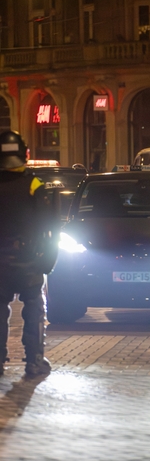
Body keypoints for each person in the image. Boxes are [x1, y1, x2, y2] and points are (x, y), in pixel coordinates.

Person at [0, 131, 60, 377]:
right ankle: (34, 361)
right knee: (34, 308)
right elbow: (49, 225)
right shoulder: (34, 184)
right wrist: (48, 259)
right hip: (29, 260)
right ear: (24, 154)